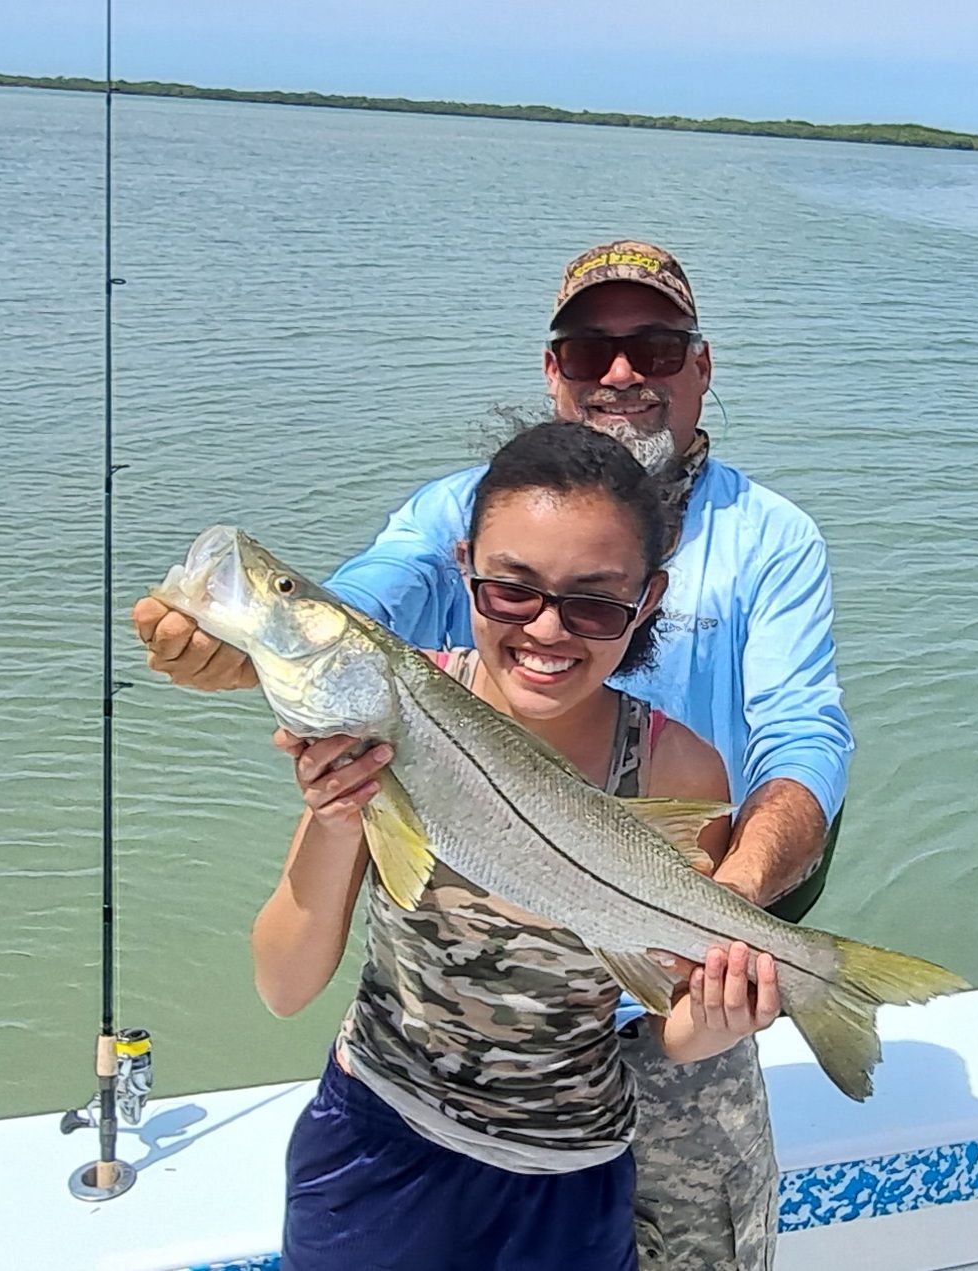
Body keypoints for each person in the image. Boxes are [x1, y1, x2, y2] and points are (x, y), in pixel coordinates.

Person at [134, 240, 855, 1270]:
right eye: (587, 347)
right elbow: (368, 608)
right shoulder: (463, 507)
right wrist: (247, 643)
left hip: (659, 978)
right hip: (426, 1058)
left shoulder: (771, 538)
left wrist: (719, 918)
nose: (620, 374)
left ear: (699, 365)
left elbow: (800, 734)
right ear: (549, 367)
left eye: (652, 345)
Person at [256, 421, 780, 1271]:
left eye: (594, 600)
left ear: (647, 601)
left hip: (569, 1181)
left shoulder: (676, 765)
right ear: (466, 566)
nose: (545, 629)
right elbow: (283, 984)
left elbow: (666, 1024)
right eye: (513, 589)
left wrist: (717, 1021)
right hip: (374, 1145)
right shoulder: (393, 714)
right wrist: (334, 816)